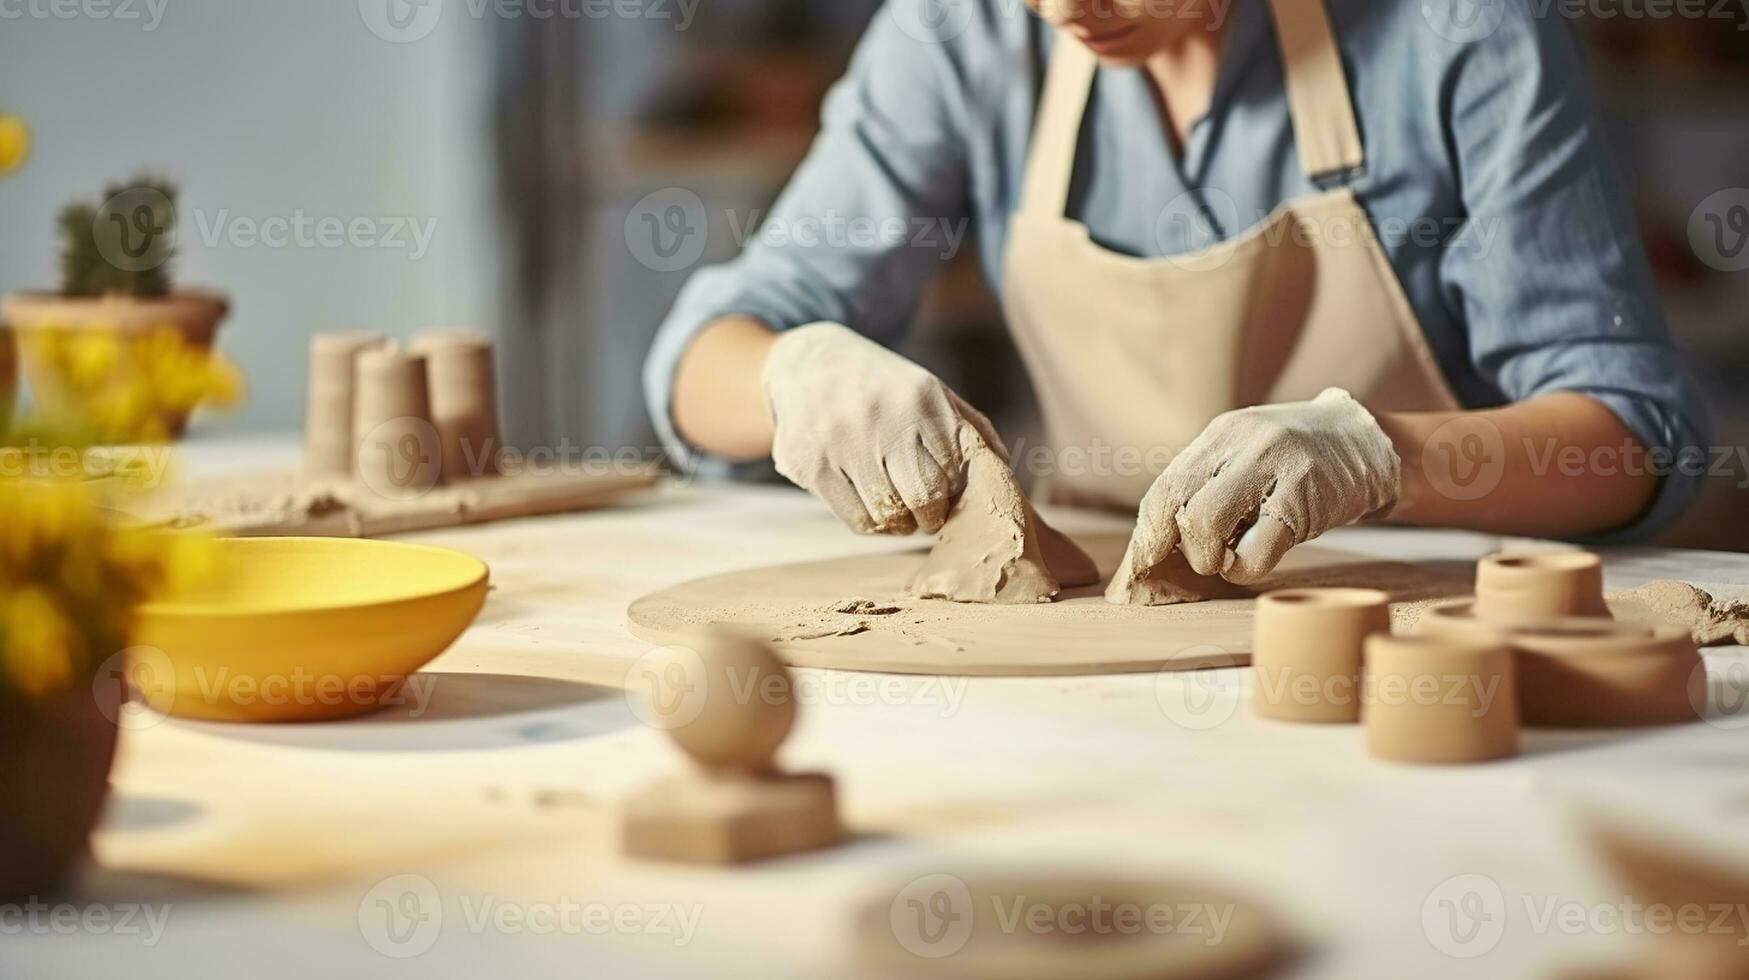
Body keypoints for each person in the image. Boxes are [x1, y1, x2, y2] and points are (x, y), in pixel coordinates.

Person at [643, 0, 1703, 596]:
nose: (1065, 9)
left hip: (1404, 634)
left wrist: (1383, 453)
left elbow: (1632, 436)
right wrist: (792, 375)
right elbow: (701, 361)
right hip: (1100, 627)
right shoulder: (965, 31)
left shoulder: (1463, 33)